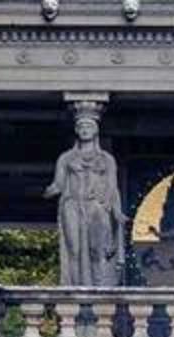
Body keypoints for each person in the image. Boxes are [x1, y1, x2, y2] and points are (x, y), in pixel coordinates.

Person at [47, 108, 125, 290]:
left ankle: (100, 288)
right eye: (81, 127)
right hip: (72, 204)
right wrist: (47, 191)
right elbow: (58, 184)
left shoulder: (107, 159)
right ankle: (74, 288)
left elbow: (112, 188)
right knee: (73, 249)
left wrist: (116, 211)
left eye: (88, 126)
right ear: (76, 130)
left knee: (97, 250)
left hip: (97, 205)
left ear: (95, 130)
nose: (84, 130)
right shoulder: (66, 158)